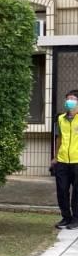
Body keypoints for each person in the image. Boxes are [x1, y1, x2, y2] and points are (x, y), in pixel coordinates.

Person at [52, 90, 78, 229]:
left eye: (73, 99)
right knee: (62, 190)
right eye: (68, 99)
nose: (70, 101)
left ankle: (76, 219)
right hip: (62, 161)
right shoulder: (61, 119)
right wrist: (55, 157)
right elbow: (59, 138)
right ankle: (66, 217)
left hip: (77, 161)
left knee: (77, 193)